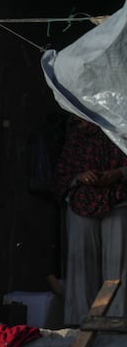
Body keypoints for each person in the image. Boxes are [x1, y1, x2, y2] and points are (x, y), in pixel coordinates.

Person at [49, 115, 127, 325]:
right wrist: (80, 177)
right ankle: (80, 321)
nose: (81, 125)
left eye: (84, 120)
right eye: (76, 121)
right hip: (81, 203)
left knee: (117, 264)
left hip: (118, 200)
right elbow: (63, 175)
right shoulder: (77, 140)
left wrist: (118, 173)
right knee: (80, 264)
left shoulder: (118, 130)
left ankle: (116, 320)